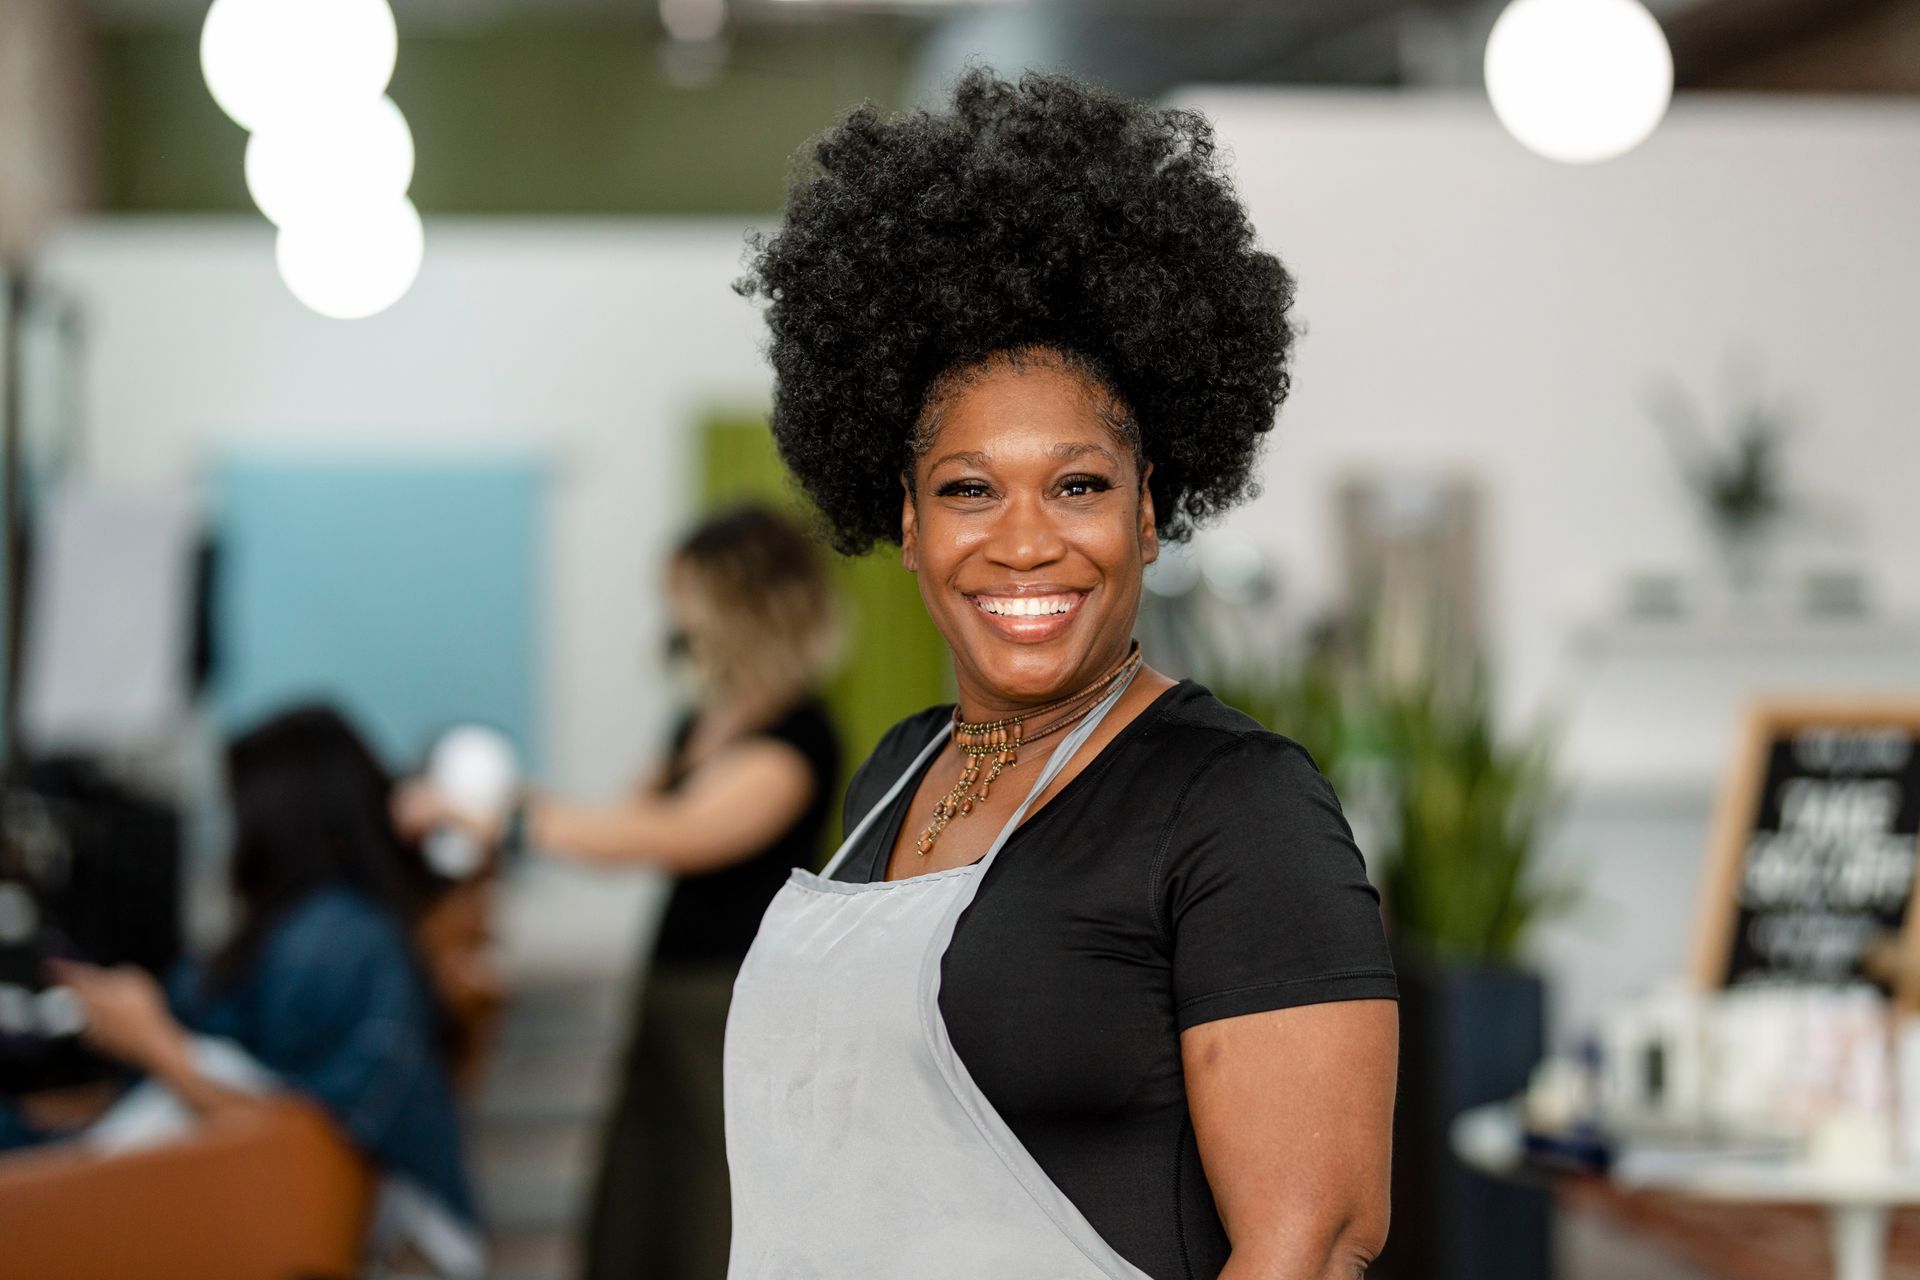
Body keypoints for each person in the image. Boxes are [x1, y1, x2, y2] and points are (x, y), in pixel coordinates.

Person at [722, 69, 1399, 1280]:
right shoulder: (896, 773)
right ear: (910, 522)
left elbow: (1312, 1241)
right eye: (969, 488)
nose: (1025, 541)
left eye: (1078, 484)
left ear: (1147, 513)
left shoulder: (1236, 805)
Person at [396, 504, 843, 1280]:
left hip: (734, 1001)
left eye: (686, 597)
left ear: (740, 604)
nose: (674, 619)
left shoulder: (797, 741)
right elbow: (619, 821)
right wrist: (491, 805)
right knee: (639, 1204)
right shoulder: (702, 720)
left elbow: (666, 836)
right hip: (670, 985)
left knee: (709, 1209)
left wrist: (504, 822)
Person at [1, 704, 481, 1272]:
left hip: (226, 1189)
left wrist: (152, 1041)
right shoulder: (333, 931)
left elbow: (303, 1128)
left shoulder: (333, 939)